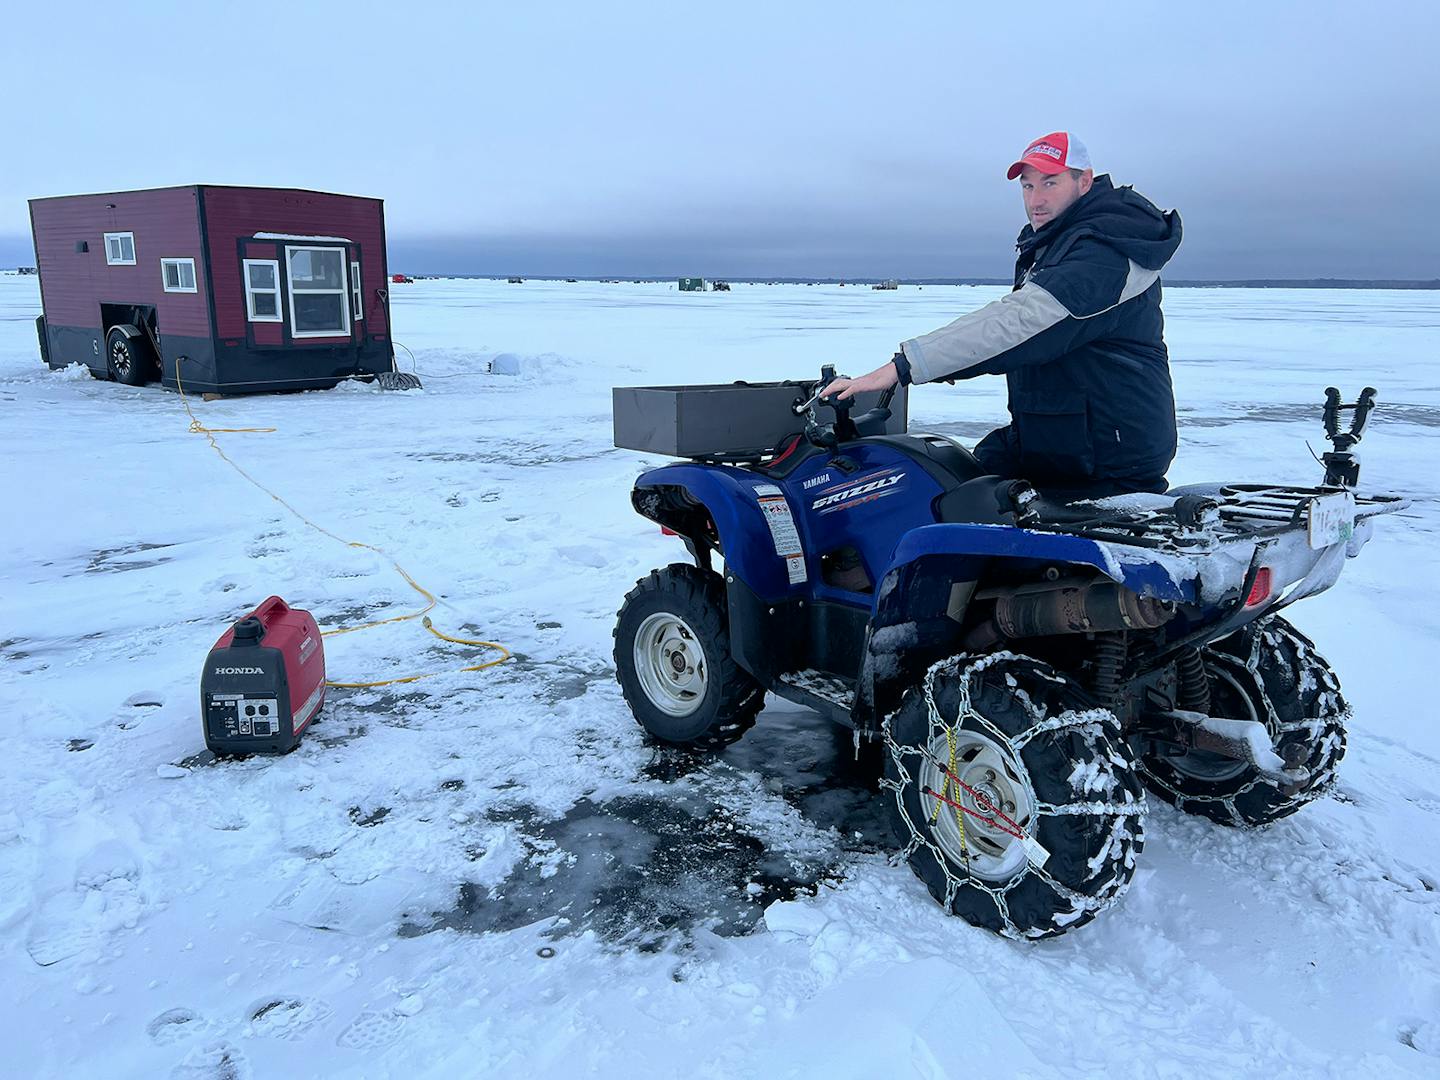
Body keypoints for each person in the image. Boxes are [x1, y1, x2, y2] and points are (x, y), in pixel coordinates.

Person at [824, 132, 1183, 497]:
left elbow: (1021, 322)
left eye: (1050, 183)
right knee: (931, 481)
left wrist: (904, 367)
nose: (1036, 199)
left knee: (963, 515)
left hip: (1108, 455)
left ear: (1084, 180)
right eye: (1027, 187)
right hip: (1060, 438)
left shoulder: (1104, 252)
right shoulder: (1060, 240)